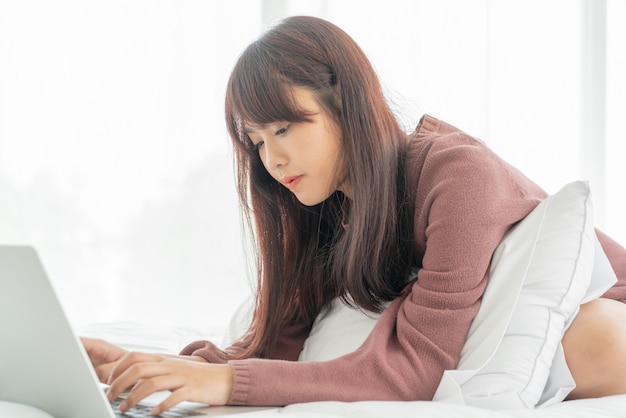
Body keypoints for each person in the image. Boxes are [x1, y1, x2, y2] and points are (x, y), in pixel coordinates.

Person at [82, 15, 626, 415]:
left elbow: (415, 369)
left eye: (285, 128)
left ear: (347, 103)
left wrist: (227, 386)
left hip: (604, 308)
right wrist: (153, 367)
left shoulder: (459, 176)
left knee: (591, 338)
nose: (271, 159)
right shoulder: (317, 204)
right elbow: (278, 345)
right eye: (256, 140)